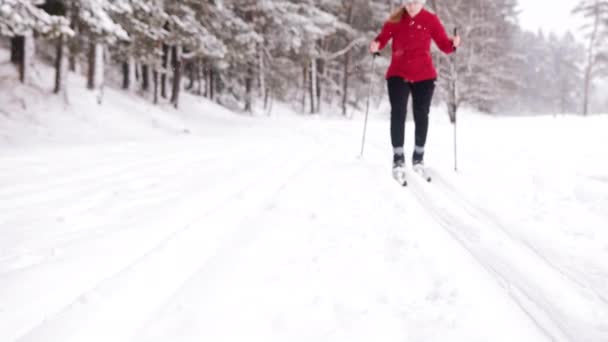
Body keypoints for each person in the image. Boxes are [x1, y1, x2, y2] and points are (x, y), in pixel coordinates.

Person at [369, 0, 461, 174]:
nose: (411, 6)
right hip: (398, 73)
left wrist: (453, 44)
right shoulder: (394, 20)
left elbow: (444, 45)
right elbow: (381, 40)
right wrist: (376, 46)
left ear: (422, 3)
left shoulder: (431, 19)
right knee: (398, 112)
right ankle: (398, 157)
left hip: (424, 75)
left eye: (415, 2)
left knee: (421, 114)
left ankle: (418, 156)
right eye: (408, 2)